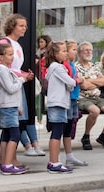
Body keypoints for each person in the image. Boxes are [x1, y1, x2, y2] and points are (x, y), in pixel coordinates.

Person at [0, 14, 44, 158]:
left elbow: (14, 67)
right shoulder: (4, 42)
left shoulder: (17, 44)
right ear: (12, 26)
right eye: (21, 26)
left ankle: (8, 159)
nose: (25, 28)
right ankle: (8, 160)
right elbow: (1, 66)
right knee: (11, 128)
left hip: (16, 84)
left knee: (12, 127)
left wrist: (24, 74)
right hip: (9, 88)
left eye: (25, 25)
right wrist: (22, 76)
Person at [0, 43, 30, 175]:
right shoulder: (3, 71)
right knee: (15, 134)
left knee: (7, 134)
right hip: (7, 106)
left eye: (13, 54)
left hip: (9, 105)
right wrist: (21, 80)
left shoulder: (4, 70)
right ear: (1, 57)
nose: (12, 57)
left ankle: (4, 161)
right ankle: (8, 164)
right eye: (9, 54)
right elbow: (11, 88)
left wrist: (18, 106)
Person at [76, 41, 104, 150]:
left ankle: (103, 136)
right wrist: (94, 82)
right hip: (83, 98)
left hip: (97, 97)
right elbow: (84, 86)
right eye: (86, 50)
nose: (89, 52)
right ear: (80, 53)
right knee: (95, 111)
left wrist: (88, 81)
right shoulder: (76, 67)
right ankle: (86, 136)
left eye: (90, 50)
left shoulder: (94, 66)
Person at [44, 41, 77, 173]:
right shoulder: (57, 67)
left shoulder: (57, 67)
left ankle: (55, 161)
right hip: (57, 103)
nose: (65, 53)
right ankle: (54, 162)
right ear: (55, 53)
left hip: (60, 102)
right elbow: (70, 82)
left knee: (58, 132)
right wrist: (77, 81)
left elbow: (68, 84)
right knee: (56, 133)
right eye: (63, 51)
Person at [62, 39, 88, 166]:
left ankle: (69, 154)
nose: (76, 52)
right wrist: (79, 80)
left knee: (70, 127)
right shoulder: (65, 65)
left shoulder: (72, 64)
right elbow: (69, 81)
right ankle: (67, 155)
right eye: (73, 49)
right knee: (66, 127)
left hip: (73, 97)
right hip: (68, 98)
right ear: (66, 52)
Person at [34, 34, 52, 127]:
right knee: (38, 100)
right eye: (39, 42)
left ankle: (47, 121)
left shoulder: (48, 53)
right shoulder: (37, 53)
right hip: (38, 77)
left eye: (42, 42)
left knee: (46, 100)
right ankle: (39, 119)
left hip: (45, 77)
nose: (40, 44)